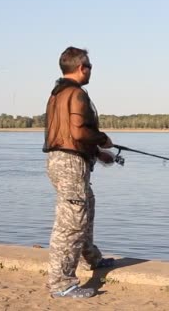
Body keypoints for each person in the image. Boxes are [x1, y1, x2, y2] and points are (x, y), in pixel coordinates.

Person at [43, 46, 115, 298]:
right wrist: (103, 139)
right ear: (81, 67)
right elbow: (77, 132)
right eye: (90, 66)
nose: (91, 70)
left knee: (86, 207)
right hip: (69, 164)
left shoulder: (58, 93)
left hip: (63, 161)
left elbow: (67, 135)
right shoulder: (76, 94)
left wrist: (98, 153)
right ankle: (61, 284)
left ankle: (91, 259)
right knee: (71, 223)